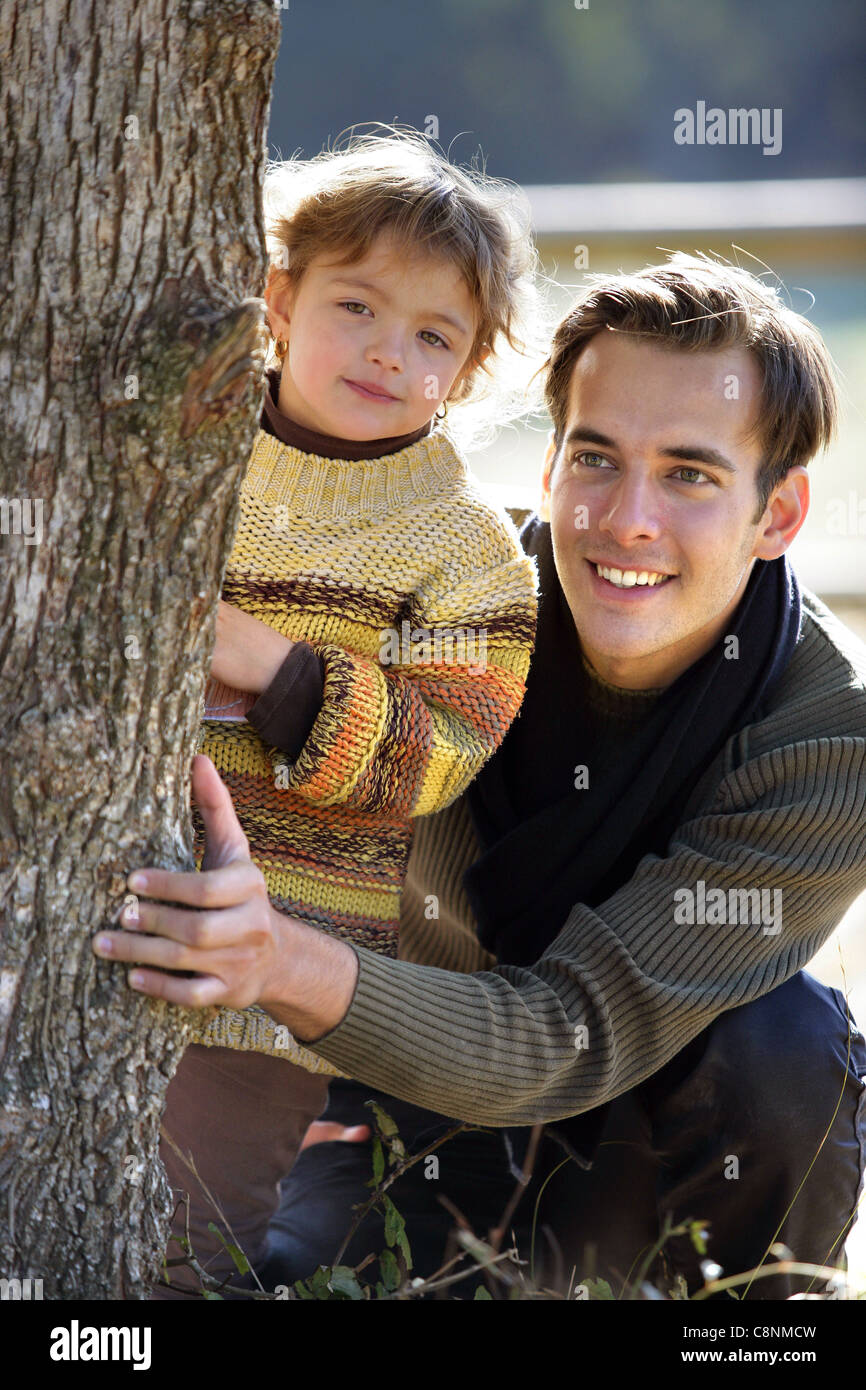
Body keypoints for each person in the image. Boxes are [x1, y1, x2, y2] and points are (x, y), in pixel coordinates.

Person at [95, 254, 866, 1299]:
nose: (625, 517)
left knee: (782, 1056)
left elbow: (573, 1028)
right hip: (383, 1096)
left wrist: (282, 961)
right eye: (595, 457)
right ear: (546, 463)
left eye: (688, 473)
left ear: (776, 515)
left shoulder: (825, 737)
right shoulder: (430, 596)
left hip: (628, 1132)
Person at [141, 128, 541, 1297]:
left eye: (432, 336)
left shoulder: (468, 556)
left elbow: (431, 756)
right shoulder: (175, 446)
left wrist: (269, 665)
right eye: (356, 305)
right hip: (70, 914)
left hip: (262, 977)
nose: (385, 351)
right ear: (278, 294)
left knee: (177, 1246)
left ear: (464, 374)